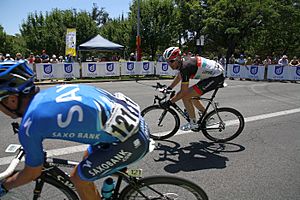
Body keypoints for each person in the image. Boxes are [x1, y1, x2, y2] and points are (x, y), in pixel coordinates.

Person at [0, 61, 152, 200]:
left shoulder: (30, 124)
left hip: (131, 140)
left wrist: (4, 186)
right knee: (87, 159)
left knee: (78, 178)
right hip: (134, 125)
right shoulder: (48, 93)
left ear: (11, 99)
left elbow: (32, 173)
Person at [162, 47, 225, 131]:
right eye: (167, 61)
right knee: (192, 96)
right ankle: (207, 118)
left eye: (171, 61)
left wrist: (170, 102)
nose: (169, 64)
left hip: (216, 77)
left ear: (178, 58)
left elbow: (183, 92)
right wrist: (170, 87)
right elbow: (180, 76)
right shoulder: (182, 63)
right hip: (211, 74)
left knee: (186, 97)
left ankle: (193, 123)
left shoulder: (185, 67)